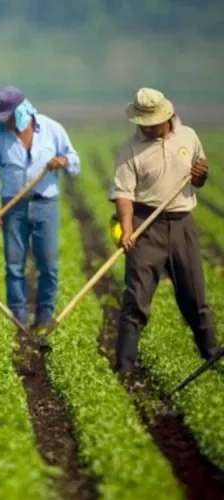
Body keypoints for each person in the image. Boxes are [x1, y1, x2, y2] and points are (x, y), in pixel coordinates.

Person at [109, 87, 219, 373]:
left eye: (151, 122)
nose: (145, 128)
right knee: (136, 301)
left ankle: (212, 357)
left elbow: (199, 180)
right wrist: (127, 229)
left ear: (166, 117)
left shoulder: (189, 137)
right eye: (141, 123)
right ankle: (124, 368)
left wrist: (201, 176)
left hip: (182, 224)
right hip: (146, 226)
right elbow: (124, 195)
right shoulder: (129, 149)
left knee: (195, 298)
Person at [0, 86, 80, 333]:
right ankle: (19, 318)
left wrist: (63, 161)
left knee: (49, 263)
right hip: (14, 206)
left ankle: (45, 316)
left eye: (10, 117)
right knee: (14, 263)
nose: (8, 122)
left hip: (46, 203)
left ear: (23, 111)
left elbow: (74, 161)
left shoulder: (51, 129)